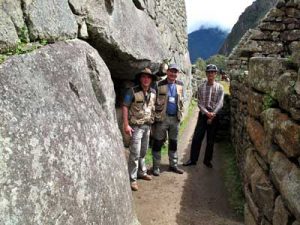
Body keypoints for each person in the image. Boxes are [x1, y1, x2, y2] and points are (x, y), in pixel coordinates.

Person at [183, 64, 224, 168]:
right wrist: (207, 113)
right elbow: (199, 102)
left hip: (214, 116)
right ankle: (193, 159)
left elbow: (220, 102)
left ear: (215, 74)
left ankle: (207, 160)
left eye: (213, 72)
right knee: (197, 138)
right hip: (203, 115)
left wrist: (213, 113)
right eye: (209, 72)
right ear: (206, 74)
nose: (211, 74)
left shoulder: (220, 87)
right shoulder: (201, 87)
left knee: (210, 140)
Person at [122, 68, 157, 191]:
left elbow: (152, 109)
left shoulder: (153, 92)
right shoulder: (132, 91)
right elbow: (125, 107)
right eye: (144, 77)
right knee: (135, 153)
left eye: (148, 77)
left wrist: (152, 126)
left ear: (151, 79)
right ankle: (132, 179)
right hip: (136, 127)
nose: (146, 79)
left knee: (143, 151)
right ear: (140, 78)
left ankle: (142, 172)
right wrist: (126, 125)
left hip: (147, 126)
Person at [151, 63, 185, 176]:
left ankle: (173, 165)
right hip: (162, 118)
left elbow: (181, 102)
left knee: (173, 142)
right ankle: (156, 167)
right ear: (167, 72)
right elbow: (152, 101)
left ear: (177, 74)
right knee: (158, 142)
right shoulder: (158, 84)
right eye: (171, 71)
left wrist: (181, 114)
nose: (173, 74)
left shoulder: (180, 85)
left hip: (175, 118)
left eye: (175, 72)